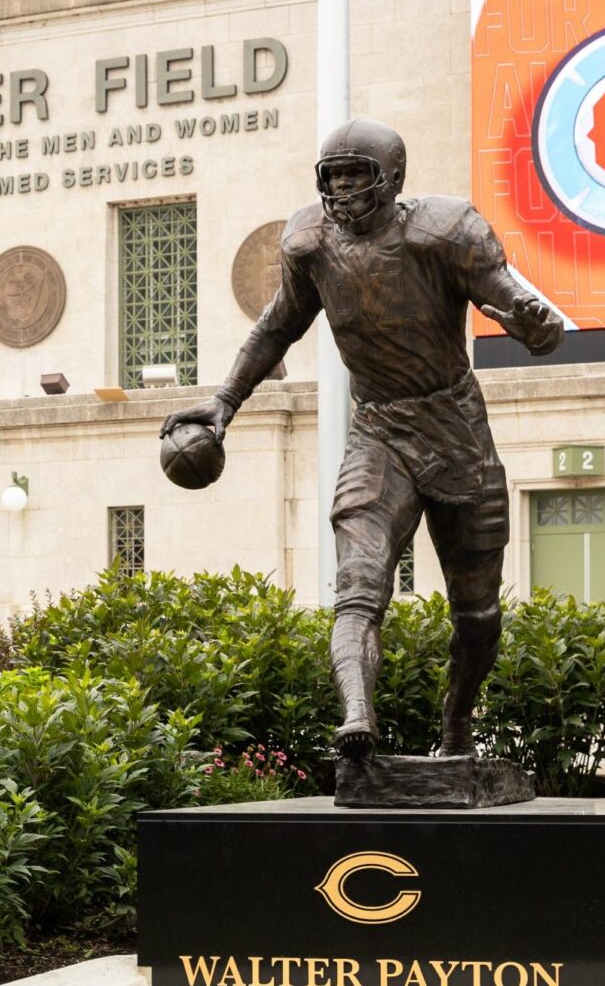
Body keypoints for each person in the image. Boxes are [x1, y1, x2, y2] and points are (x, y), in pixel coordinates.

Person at [161, 117, 564, 763]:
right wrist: (224, 402)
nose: (344, 188)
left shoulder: (444, 231)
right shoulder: (310, 244)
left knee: (478, 615)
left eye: (358, 174)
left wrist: (533, 323)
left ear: (394, 179)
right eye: (335, 175)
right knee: (359, 585)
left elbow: (511, 305)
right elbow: (275, 329)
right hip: (378, 429)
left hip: (455, 430)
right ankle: (357, 717)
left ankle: (456, 723)